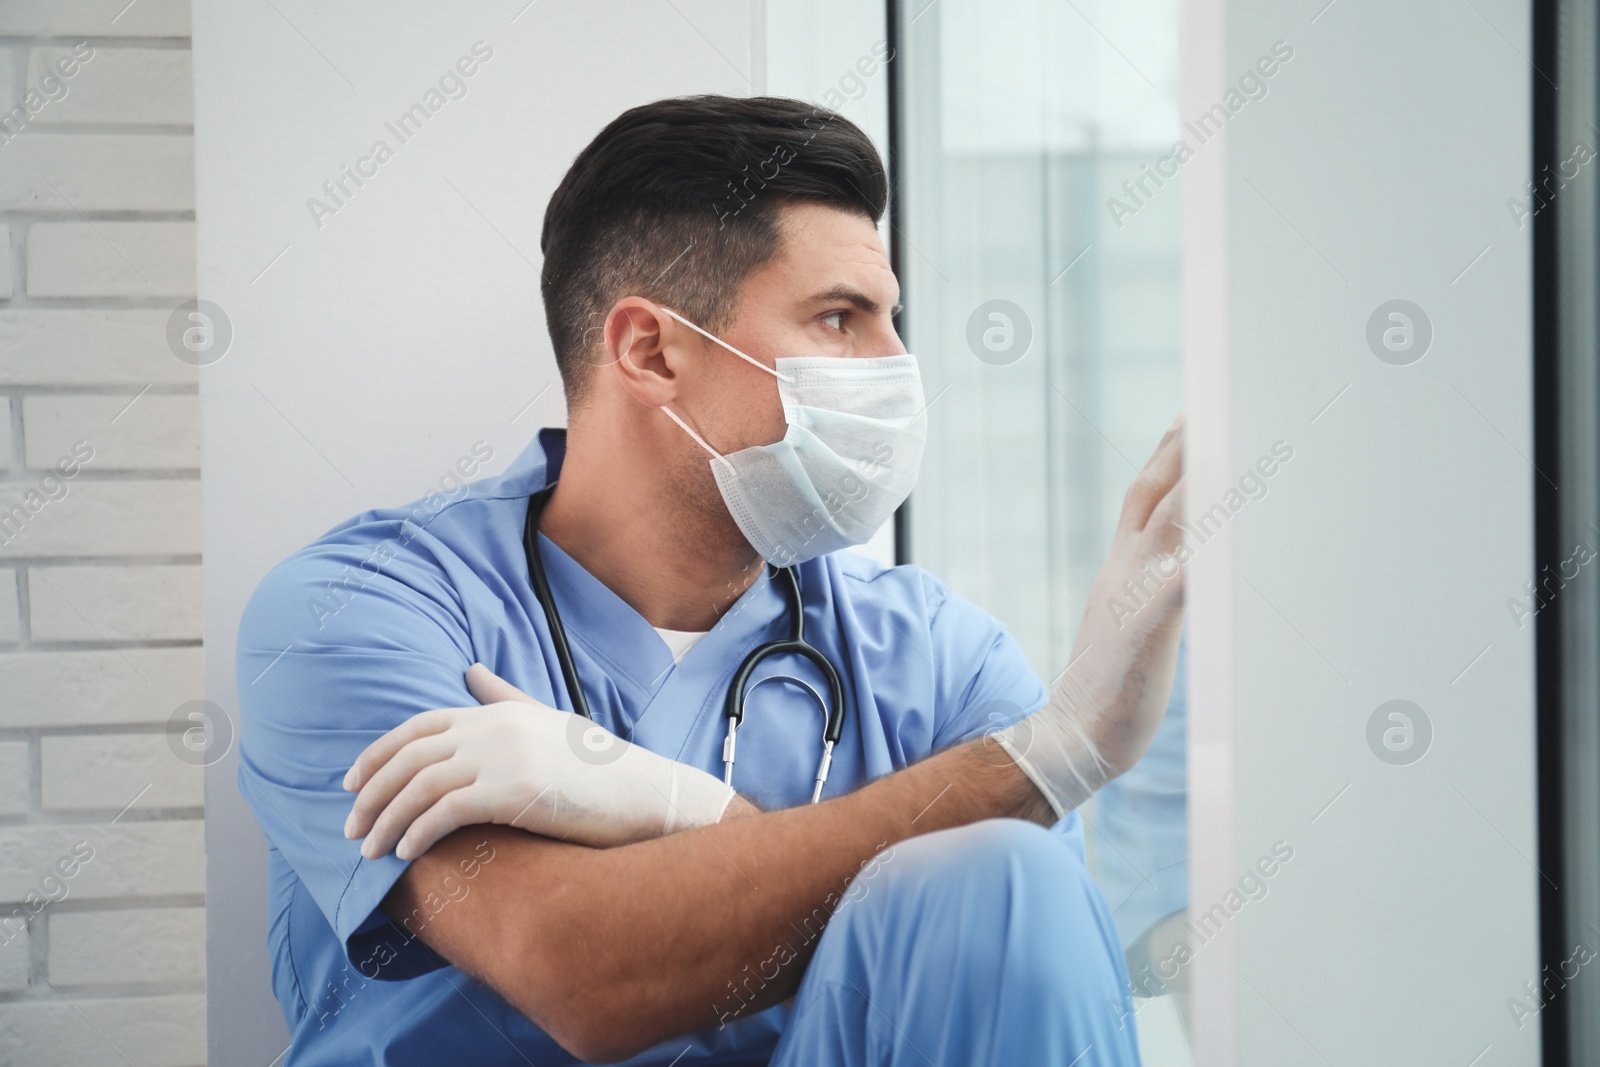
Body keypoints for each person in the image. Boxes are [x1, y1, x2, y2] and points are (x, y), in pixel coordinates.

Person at [236, 94, 1186, 1066]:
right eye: (839, 318)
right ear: (651, 351)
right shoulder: (357, 612)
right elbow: (574, 971)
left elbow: (1010, 991)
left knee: (1004, 875)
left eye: (890, 320)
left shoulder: (937, 660)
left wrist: (670, 802)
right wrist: (1058, 748)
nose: (896, 364)